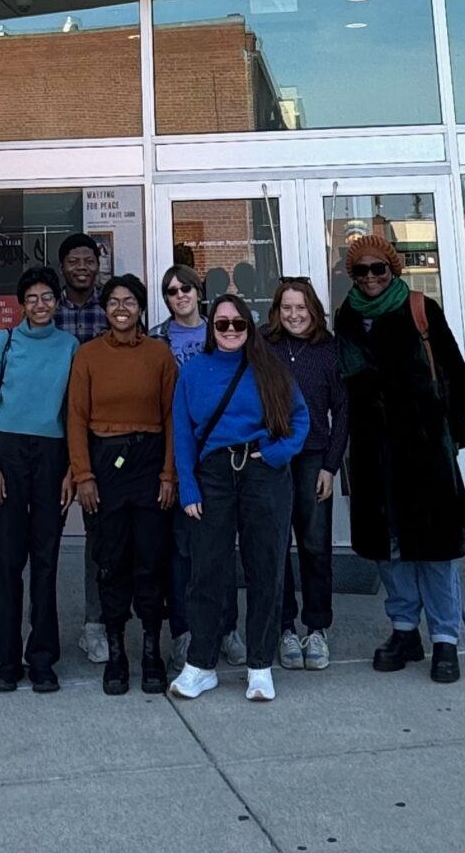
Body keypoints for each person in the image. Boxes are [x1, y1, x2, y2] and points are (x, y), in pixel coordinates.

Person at [336, 233, 465, 684]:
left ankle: (445, 637)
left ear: (393, 268)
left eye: (378, 268)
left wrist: (452, 435)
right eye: (361, 270)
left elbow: (454, 372)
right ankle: (403, 629)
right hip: (372, 451)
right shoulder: (347, 315)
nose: (370, 277)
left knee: (435, 546)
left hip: (423, 446)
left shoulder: (419, 308)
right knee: (388, 546)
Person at [169, 293, 306, 703]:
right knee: (207, 570)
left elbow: (300, 417)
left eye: (238, 323)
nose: (230, 330)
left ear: (249, 327)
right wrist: (187, 486)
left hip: (263, 471)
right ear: (211, 329)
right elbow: (181, 432)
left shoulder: (270, 368)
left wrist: (278, 453)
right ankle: (201, 664)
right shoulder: (193, 372)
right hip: (213, 473)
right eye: (222, 324)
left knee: (265, 566)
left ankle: (259, 665)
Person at [66, 272, 176, 696]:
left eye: (129, 301)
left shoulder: (159, 354)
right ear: (104, 309)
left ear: (141, 307)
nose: (121, 308)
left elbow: (172, 418)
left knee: (150, 559)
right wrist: (83, 475)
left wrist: (169, 473)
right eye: (113, 301)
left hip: (149, 461)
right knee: (110, 560)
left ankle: (150, 651)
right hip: (104, 463)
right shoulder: (88, 355)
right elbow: (76, 418)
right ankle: (116, 653)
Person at [0, 264, 78, 692]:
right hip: (9, 453)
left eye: (47, 297)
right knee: (7, 557)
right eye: (32, 298)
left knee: (46, 557)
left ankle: (42, 657)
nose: (40, 305)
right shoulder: (5, 341)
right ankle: (6, 658)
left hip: (53, 454)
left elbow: (75, 411)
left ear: (58, 302)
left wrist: (73, 469)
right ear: (22, 304)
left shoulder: (70, 345)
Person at [151, 266, 236, 665]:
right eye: (171, 291)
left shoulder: (223, 329)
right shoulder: (157, 338)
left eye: (186, 287)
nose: (180, 294)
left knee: (221, 545)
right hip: (174, 448)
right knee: (181, 548)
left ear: (198, 291)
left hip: (219, 449)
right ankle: (184, 632)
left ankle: (227, 628)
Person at [264, 275, 348, 670]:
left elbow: (342, 412)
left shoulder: (329, 351)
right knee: (275, 545)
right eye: (287, 307)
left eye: (300, 307)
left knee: (315, 547)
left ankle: (317, 628)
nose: (294, 314)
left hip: (314, 457)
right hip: (273, 458)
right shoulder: (264, 347)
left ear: (313, 310)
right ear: (277, 311)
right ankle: (284, 627)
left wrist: (331, 465)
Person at [52, 233, 112, 664]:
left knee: (100, 537)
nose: (81, 268)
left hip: (98, 436)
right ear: (63, 266)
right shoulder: (46, 307)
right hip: (49, 434)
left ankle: (96, 623)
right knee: (44, 537)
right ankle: (42, 628)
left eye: (88, 260)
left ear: (98, 264)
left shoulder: (111, 308)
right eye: (74, 261)